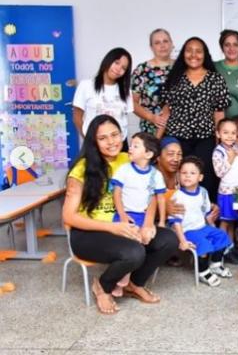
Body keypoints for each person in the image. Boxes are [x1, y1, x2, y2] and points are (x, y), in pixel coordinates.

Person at [62, 115, 178, 315]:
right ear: (94, 141)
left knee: (168, 239)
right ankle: (103, 286)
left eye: (115, 134)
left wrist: (149, 223)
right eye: (103, 138)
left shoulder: (130, 158)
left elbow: (150, 193)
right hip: (88, 232)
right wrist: (113, 227)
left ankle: (134, 284)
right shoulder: (82, 169)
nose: (111, 141)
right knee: (134, 252)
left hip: (127, 225)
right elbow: (69, 217)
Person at [160, 37, 231, 201]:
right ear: (183, 54)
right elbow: (166, 112)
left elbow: (219, 113)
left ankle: (206, 215)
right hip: (178, 139)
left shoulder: (215, 79)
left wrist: (220, 143)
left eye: (198, 51)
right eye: (189, 50)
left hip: (205, 139)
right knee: (181, 178)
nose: (194, 55)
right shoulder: (174, 78)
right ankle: (181, 218)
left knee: (206, 178)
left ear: (205, 54)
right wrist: (156, 141)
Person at [110, 132, 166, 297]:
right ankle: (123, 281)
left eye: (135, 146)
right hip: (125, 215)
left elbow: (160, 199)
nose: (130, 149)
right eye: (131, 145)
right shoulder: (124, 170)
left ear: (148, 154)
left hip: (143, 217)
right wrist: (122, 215)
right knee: (134, 239)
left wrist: (161, 222)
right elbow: (117, 195)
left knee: (146, 237)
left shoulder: (155, 175)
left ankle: (128, 279)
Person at [169, 156, 233, 287]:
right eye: (184, 173)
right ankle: (203, 271)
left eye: (192, 173)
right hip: (187, 230)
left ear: (200, 177)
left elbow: (206, 212)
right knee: (203, 244)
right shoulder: (178, 196)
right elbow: (175, 222)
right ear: (178, 175)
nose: (187, 176)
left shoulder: (203, 192)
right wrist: (182, 241)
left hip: (202, 226)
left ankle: (216, 264)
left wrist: (212, 225)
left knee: (222, 236)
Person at [73, 48, 134, 149]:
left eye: (123, 68)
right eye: (116, 63)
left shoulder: (125, 90)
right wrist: (89, 139)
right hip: (95, 143)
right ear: (108, 60)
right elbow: (77, 117)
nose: (119, 69)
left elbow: (124, 120)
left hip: (119, 145)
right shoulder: (86, 85)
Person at [212, 119, 238, 261]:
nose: (230, 136)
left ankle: (230, 248)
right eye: (225, 133)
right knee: (225, 222)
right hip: (226, 193)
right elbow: (219, 172)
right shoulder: (218, 152)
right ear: (218, 134)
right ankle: (221, 250)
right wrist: (231, 158)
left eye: (233, 133)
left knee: (232, 221)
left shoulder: (236, 148)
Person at [131, 28, 174, 136]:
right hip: (151, 130)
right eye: (157, 42)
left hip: (179, 131)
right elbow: (132, 103)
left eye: (165, 41)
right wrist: (152, 118)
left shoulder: (182, 68)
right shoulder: (142, 70)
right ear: (151, 47)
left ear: (171, 44)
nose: (162, 45)